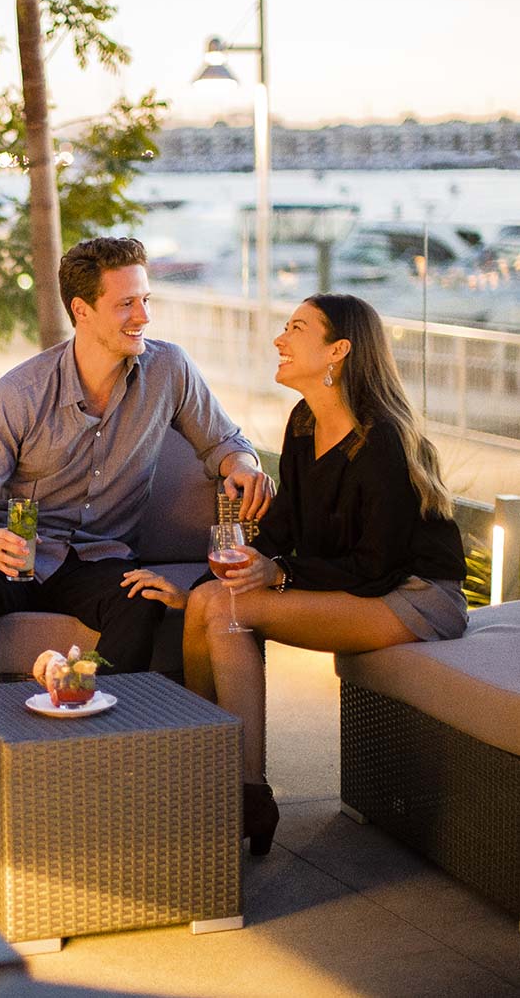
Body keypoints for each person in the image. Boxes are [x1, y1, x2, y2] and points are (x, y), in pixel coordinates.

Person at [122, 293, 468, 856]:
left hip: (415, 596)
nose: (279, 340)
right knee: (212, 601)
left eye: (296, 328)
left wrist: (275, 575)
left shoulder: (381, 441)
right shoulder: (305, 423)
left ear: (338, 350)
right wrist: (226, 571)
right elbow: (282, 531)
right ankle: (223, 781)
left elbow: (375, 568)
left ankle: (237, 788)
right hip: (364, 586)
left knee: (228, 607)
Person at [0, 237, 274, 689]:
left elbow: (224, 441)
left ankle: (85, 709)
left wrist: (242, 466)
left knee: (141, 600)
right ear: (82, 310)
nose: (144, 316)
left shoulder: (169, 369)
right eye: (126, 303)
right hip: (20, 553)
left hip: (101, 557)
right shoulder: (21, 392)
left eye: (146, 300)